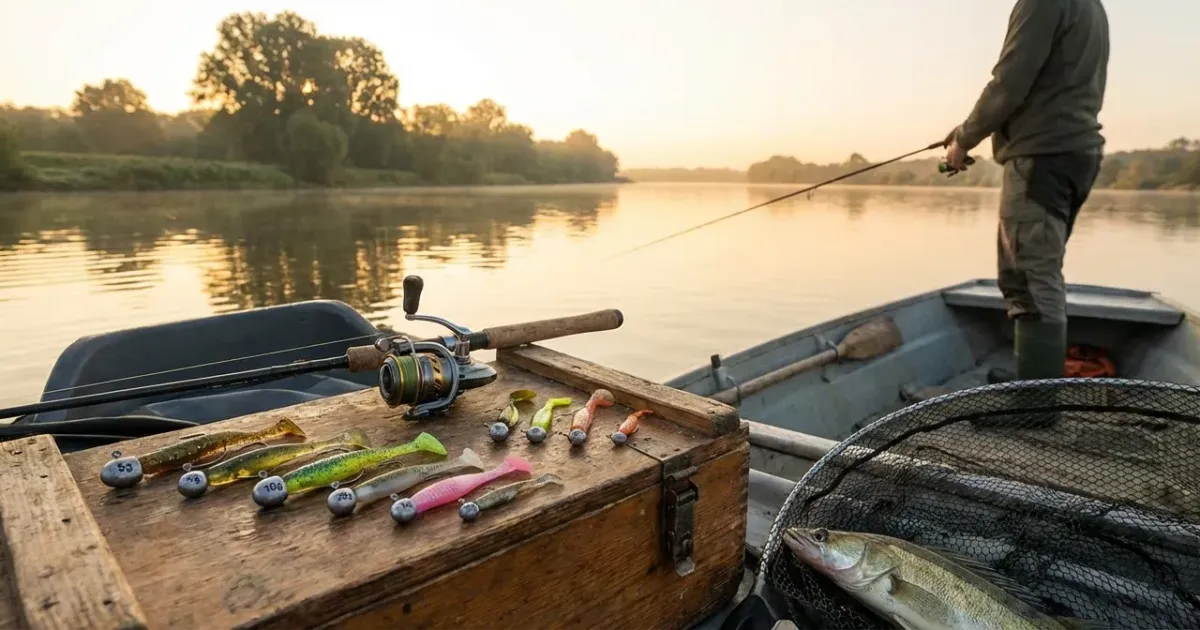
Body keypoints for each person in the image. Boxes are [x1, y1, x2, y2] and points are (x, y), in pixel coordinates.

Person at [943, 0, 1109, 382]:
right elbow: (1047, 84)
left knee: (1028, 279)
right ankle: (1033, 379)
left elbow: (1011, 79)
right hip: (1074, 152)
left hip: (1042, 157)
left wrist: (965, 139)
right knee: (1039, 272)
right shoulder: (1091, 6)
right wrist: (968, 130)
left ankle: (1036, 404)